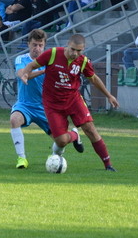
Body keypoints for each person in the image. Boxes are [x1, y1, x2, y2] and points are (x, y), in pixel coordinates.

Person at [19, 34, 119, 172]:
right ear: (67, 45)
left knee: (90, 129)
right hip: (52, 104)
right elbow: (31, 65)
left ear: (83, 49)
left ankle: (108, 165)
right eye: (73, 49)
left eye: (79, 51)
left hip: (73, 100)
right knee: (61, 141)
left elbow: (94, 79)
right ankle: (74, 135)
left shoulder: (83, 61)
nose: (75, 53)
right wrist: (25, 74)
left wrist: (109, 95)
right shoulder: (53, 54)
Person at [10, 29, 79, 169]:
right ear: (28, 44)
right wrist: (43, 71)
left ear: (44, 45)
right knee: (14, 119)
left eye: (40, 45)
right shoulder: (21, 59)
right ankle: (22, 159)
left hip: (46, 108)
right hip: (25, 105)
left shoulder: (51, 62)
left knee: (61, 141)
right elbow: (23, 74)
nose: (37, 48)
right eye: (34, 45)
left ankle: (71, 138)